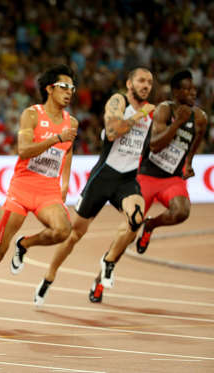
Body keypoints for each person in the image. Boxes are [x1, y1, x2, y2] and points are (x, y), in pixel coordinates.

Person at [0, 64, 79, 322]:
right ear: (49, 89)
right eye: (64, 87)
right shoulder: (32, 115)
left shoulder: (73, 122)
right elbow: (24, 150)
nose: (69, 92)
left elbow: (68, 149)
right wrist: (55, 138)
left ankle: (24, 244)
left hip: (48, 190)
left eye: (72, 88)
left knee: (63, 231)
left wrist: (65, 181)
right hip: (22, 188)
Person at [34, 67, 156, 306]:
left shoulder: (152, 113)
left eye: (150, 82)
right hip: (103, 178)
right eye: (141, 81)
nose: (146, 85)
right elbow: (111, 133)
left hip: (127, 179)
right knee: (73, 235)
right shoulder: (118, 101)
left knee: (137, 218)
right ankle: (49, 277)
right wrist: (140, 113)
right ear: (130, 84)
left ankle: (108, 262)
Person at [135, 70, 207, 253]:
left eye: (193, 89)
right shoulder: (164, 109)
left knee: (181, 212)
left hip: (172, 178)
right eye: (187, 89)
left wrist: (189, 162)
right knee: (132, 222)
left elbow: (197, 139)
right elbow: (154, 146)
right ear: (176, 92)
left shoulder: (200, 118)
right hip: (148, 174)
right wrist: (176, 124)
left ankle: (150, 225)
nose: (193, 92)